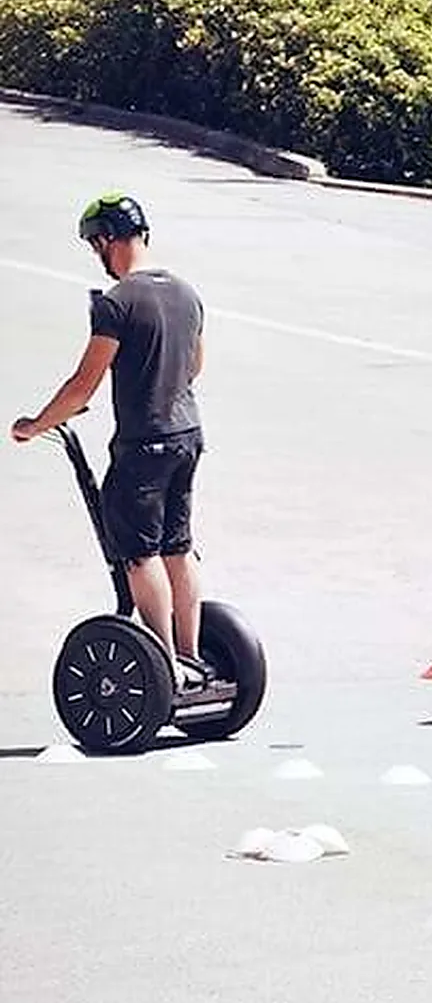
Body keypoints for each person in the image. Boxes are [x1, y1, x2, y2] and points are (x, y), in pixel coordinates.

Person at [11, 193, 210, 693]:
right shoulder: (186, 293)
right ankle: (191, 657)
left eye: (94, 244)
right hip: (187, 436)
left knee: (140, 555)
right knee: (178, 547)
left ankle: (164, 666)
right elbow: (194, 366)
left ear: (106, 240)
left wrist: (36, 424)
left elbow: (84, 385)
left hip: (144, 444)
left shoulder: (117, 303)